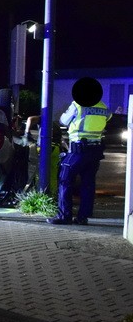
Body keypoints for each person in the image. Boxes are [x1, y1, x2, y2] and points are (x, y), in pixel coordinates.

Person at [49, 77, 111, 225]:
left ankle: (64, 216)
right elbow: (108, 118)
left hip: (78, 150)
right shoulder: (103, 107)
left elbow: (63, 120)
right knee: (88, 184)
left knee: (65, 180)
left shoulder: (78, 105)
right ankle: (83, 218)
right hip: (95, 151)